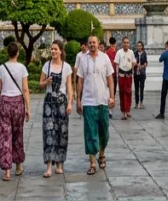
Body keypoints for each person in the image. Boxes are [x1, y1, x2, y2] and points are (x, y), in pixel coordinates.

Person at [75, 34, 114, 175]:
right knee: (90, 132)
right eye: (90, 43)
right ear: (87, 44)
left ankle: (102, 153)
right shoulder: (83, 59)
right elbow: (79, 81)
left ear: (98, 44)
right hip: (88, 101)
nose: (92, 45)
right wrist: (78, 100)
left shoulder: (105, 58)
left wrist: (112, 97)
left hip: (103, 100)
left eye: (94, 42)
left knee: (104, 131)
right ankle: (92, 162)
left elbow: (110, 78)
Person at [0, 41, 30, 181]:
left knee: (5, 136)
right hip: (18, 103)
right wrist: (28, 108)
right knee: (18, 134)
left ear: (8, 53)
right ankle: (18, 166)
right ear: (17, 53)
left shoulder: (2, 68)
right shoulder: (22, 68)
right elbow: (26, 89)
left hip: (5, 101)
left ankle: (7, 171)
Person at [40, 39, 72, 178]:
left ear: (61, 51)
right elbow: (40, 84)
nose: (53, 51)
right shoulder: (46, 66)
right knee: (48, 133)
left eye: (55, 49)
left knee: (61, 132)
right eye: (51, 49)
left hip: (61, 103)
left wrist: (70, 102)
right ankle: (48, 166)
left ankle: (59, 163)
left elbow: (70, 87)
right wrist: (46, 82)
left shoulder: (66, 67)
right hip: (49, 103)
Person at [114, 36, 136, 119]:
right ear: (122, 44)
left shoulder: (131, 52)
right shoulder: (119, 52)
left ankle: (128, 110)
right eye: (124, 43)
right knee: (122, 93)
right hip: (121, 75)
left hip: (129, 75)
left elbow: (134, 62)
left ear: (129, 44)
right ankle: (123, 111)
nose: (126, 44)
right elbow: (116, 64)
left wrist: (131, 70)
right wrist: (117, 75)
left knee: (128, 92)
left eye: (127, 43)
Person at [133, 41, 147, 110]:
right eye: (138, 46)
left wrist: (142, 66)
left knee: (141, 88)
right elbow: (132, 62)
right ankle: (136, 103)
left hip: (142, 73)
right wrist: (135, 63)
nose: (139, 47)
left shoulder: (144, 53)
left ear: (142, 46)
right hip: (136, 73)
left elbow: (146, 63)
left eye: (140, 46)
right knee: (136, 89)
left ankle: (141, 102)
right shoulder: (134, 53)